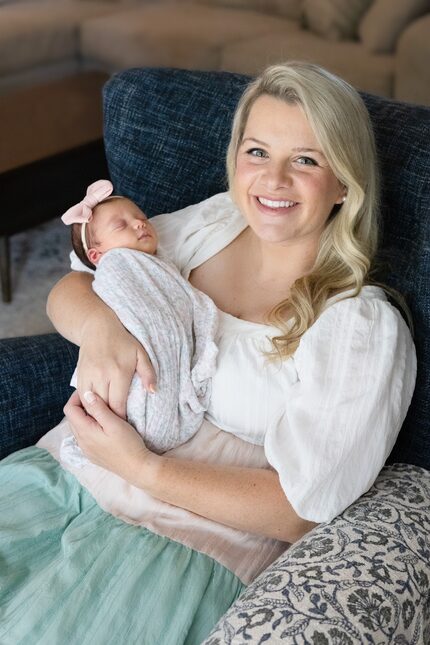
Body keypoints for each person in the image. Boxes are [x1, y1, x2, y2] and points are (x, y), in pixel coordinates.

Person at [0, 62, 416, 644]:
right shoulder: (211, 223)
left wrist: (141, 467)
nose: (272, 180)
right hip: (64, 477)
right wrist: (101, 330)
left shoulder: (359, 324)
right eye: (256, 151)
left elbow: (299, 508)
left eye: (305, 159)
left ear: (344, 182)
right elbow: (75, 283)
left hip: (179, 544)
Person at [59, 179, 218, 465]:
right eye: (121, 226)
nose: (140, 224)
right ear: (97, 256)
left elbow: (177, 310)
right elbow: (135, 309)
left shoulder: (164, 264)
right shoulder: (115, 266)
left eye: (142, 218)